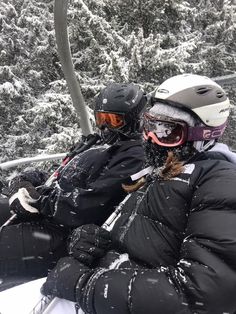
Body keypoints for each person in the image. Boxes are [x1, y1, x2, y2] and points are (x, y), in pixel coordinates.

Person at [42, 74, 236, 314]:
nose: (151, 138)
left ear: (202, 135)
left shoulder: (220, 181)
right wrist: (93, 240)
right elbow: (138, 237)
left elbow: (203, 293)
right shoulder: (161, 170)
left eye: (167, 131)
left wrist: (86, 285)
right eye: (149, 125)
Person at [0, 82, 147, 285]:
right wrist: (26, 182)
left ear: (134, 120)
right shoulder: (95, 143)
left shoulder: (134, 156)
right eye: (101, 119)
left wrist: (37, 201)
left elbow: (85, 206)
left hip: (64, 233)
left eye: (113, 120)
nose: (105, 127)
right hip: (46, 212)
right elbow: (59, 173)